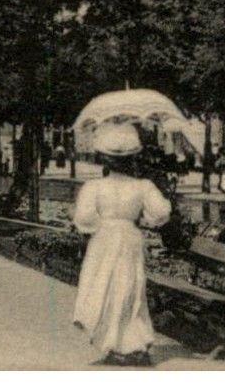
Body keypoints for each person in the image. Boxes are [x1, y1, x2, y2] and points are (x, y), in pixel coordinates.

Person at [72, 124, 173, 366]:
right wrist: (139, 218)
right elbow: (161, 213)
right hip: (130, 237)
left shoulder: (94, 187)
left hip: (104, 238)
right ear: (132, 159)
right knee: (130, 288)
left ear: (104, 160)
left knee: (105, 287)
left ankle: (113, 342)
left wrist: (101, 224)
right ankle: (132, 342)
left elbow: (84, 218)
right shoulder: (143, 187)